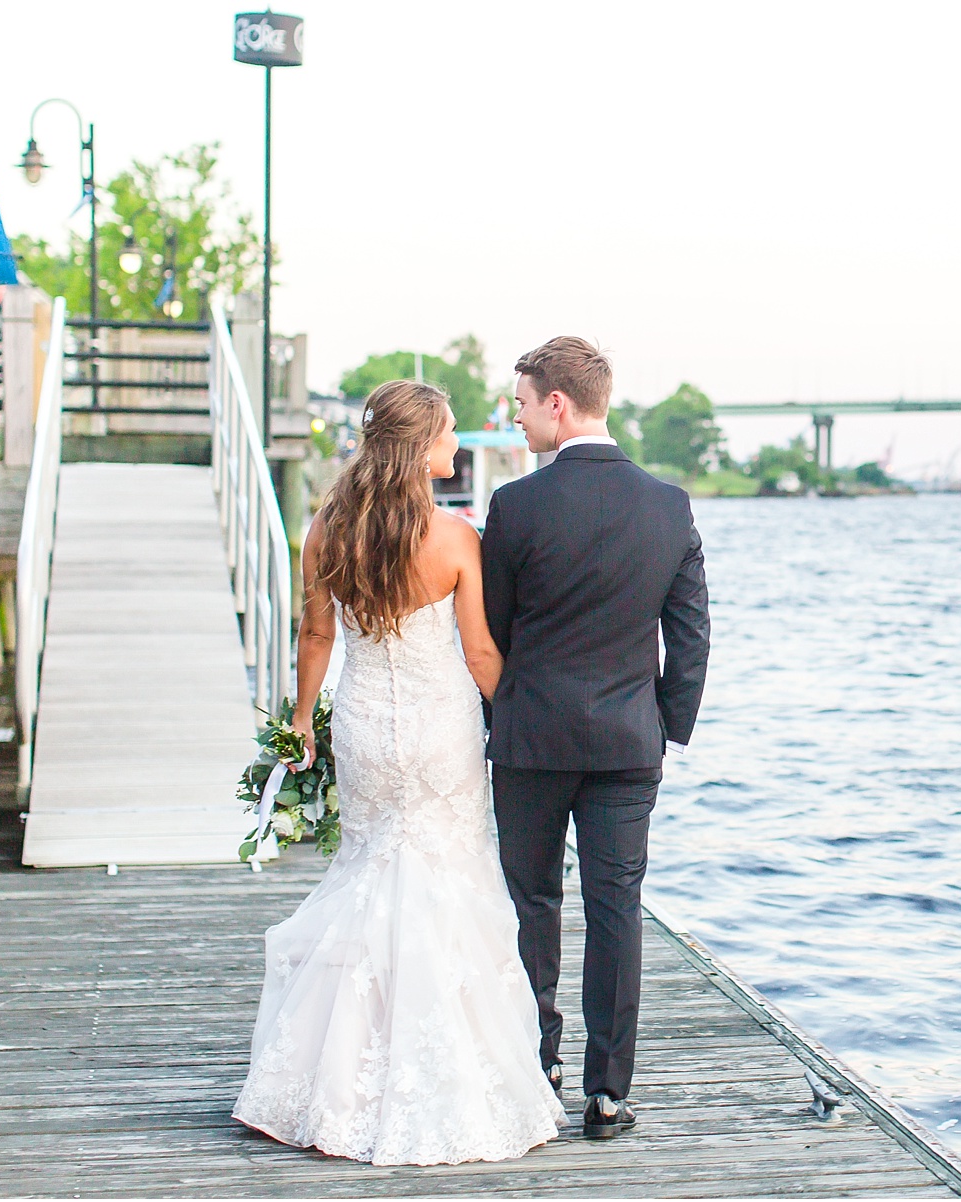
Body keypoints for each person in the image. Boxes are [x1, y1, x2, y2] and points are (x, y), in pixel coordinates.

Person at [232, 380, 566, 1165]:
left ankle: (331, 1076)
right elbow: (481, 653)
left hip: (365, 731)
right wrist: (519, 723)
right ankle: (453, 1074)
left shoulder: (327, 530)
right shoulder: (453, 538)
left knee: (372, 873)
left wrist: (301, 727)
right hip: (440, 729)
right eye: (449, 436)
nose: (456, 448)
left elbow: (315, 636)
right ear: (420, 448)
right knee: (448, 882)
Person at [483, 336, 710, 1140]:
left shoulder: (515, 508)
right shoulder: (668, 504)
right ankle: (608, 1095)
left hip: (531, 741)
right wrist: (664, 725)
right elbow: (691, 638)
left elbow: (493, 630)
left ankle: (533, 1064)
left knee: (532, 902)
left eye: (520, 402)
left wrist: (503, 712)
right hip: (625, 743)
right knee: (616, 910)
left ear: (557, 403)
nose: (515, 418)